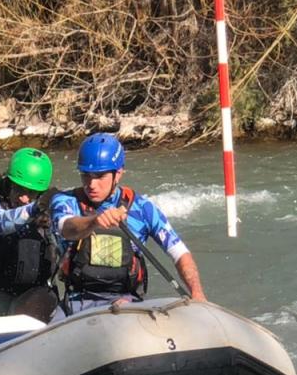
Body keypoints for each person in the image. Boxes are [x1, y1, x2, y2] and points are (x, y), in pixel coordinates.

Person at [50, 133, 206, 318]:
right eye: (85, 175)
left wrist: (197, 293)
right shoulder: (65, 201)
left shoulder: (143, 208)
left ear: (118, 173)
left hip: (127, 303)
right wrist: (95, 221)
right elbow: (66, 228)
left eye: (100, 176)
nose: (91, 184)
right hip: (76, 303)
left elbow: (179, 253)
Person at [0, 147, 59, 320]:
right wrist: (34, 208)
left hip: (35, 293)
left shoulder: (51, 206)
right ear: (9, 182)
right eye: (19, 189)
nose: (24, 198)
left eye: (31, 193)